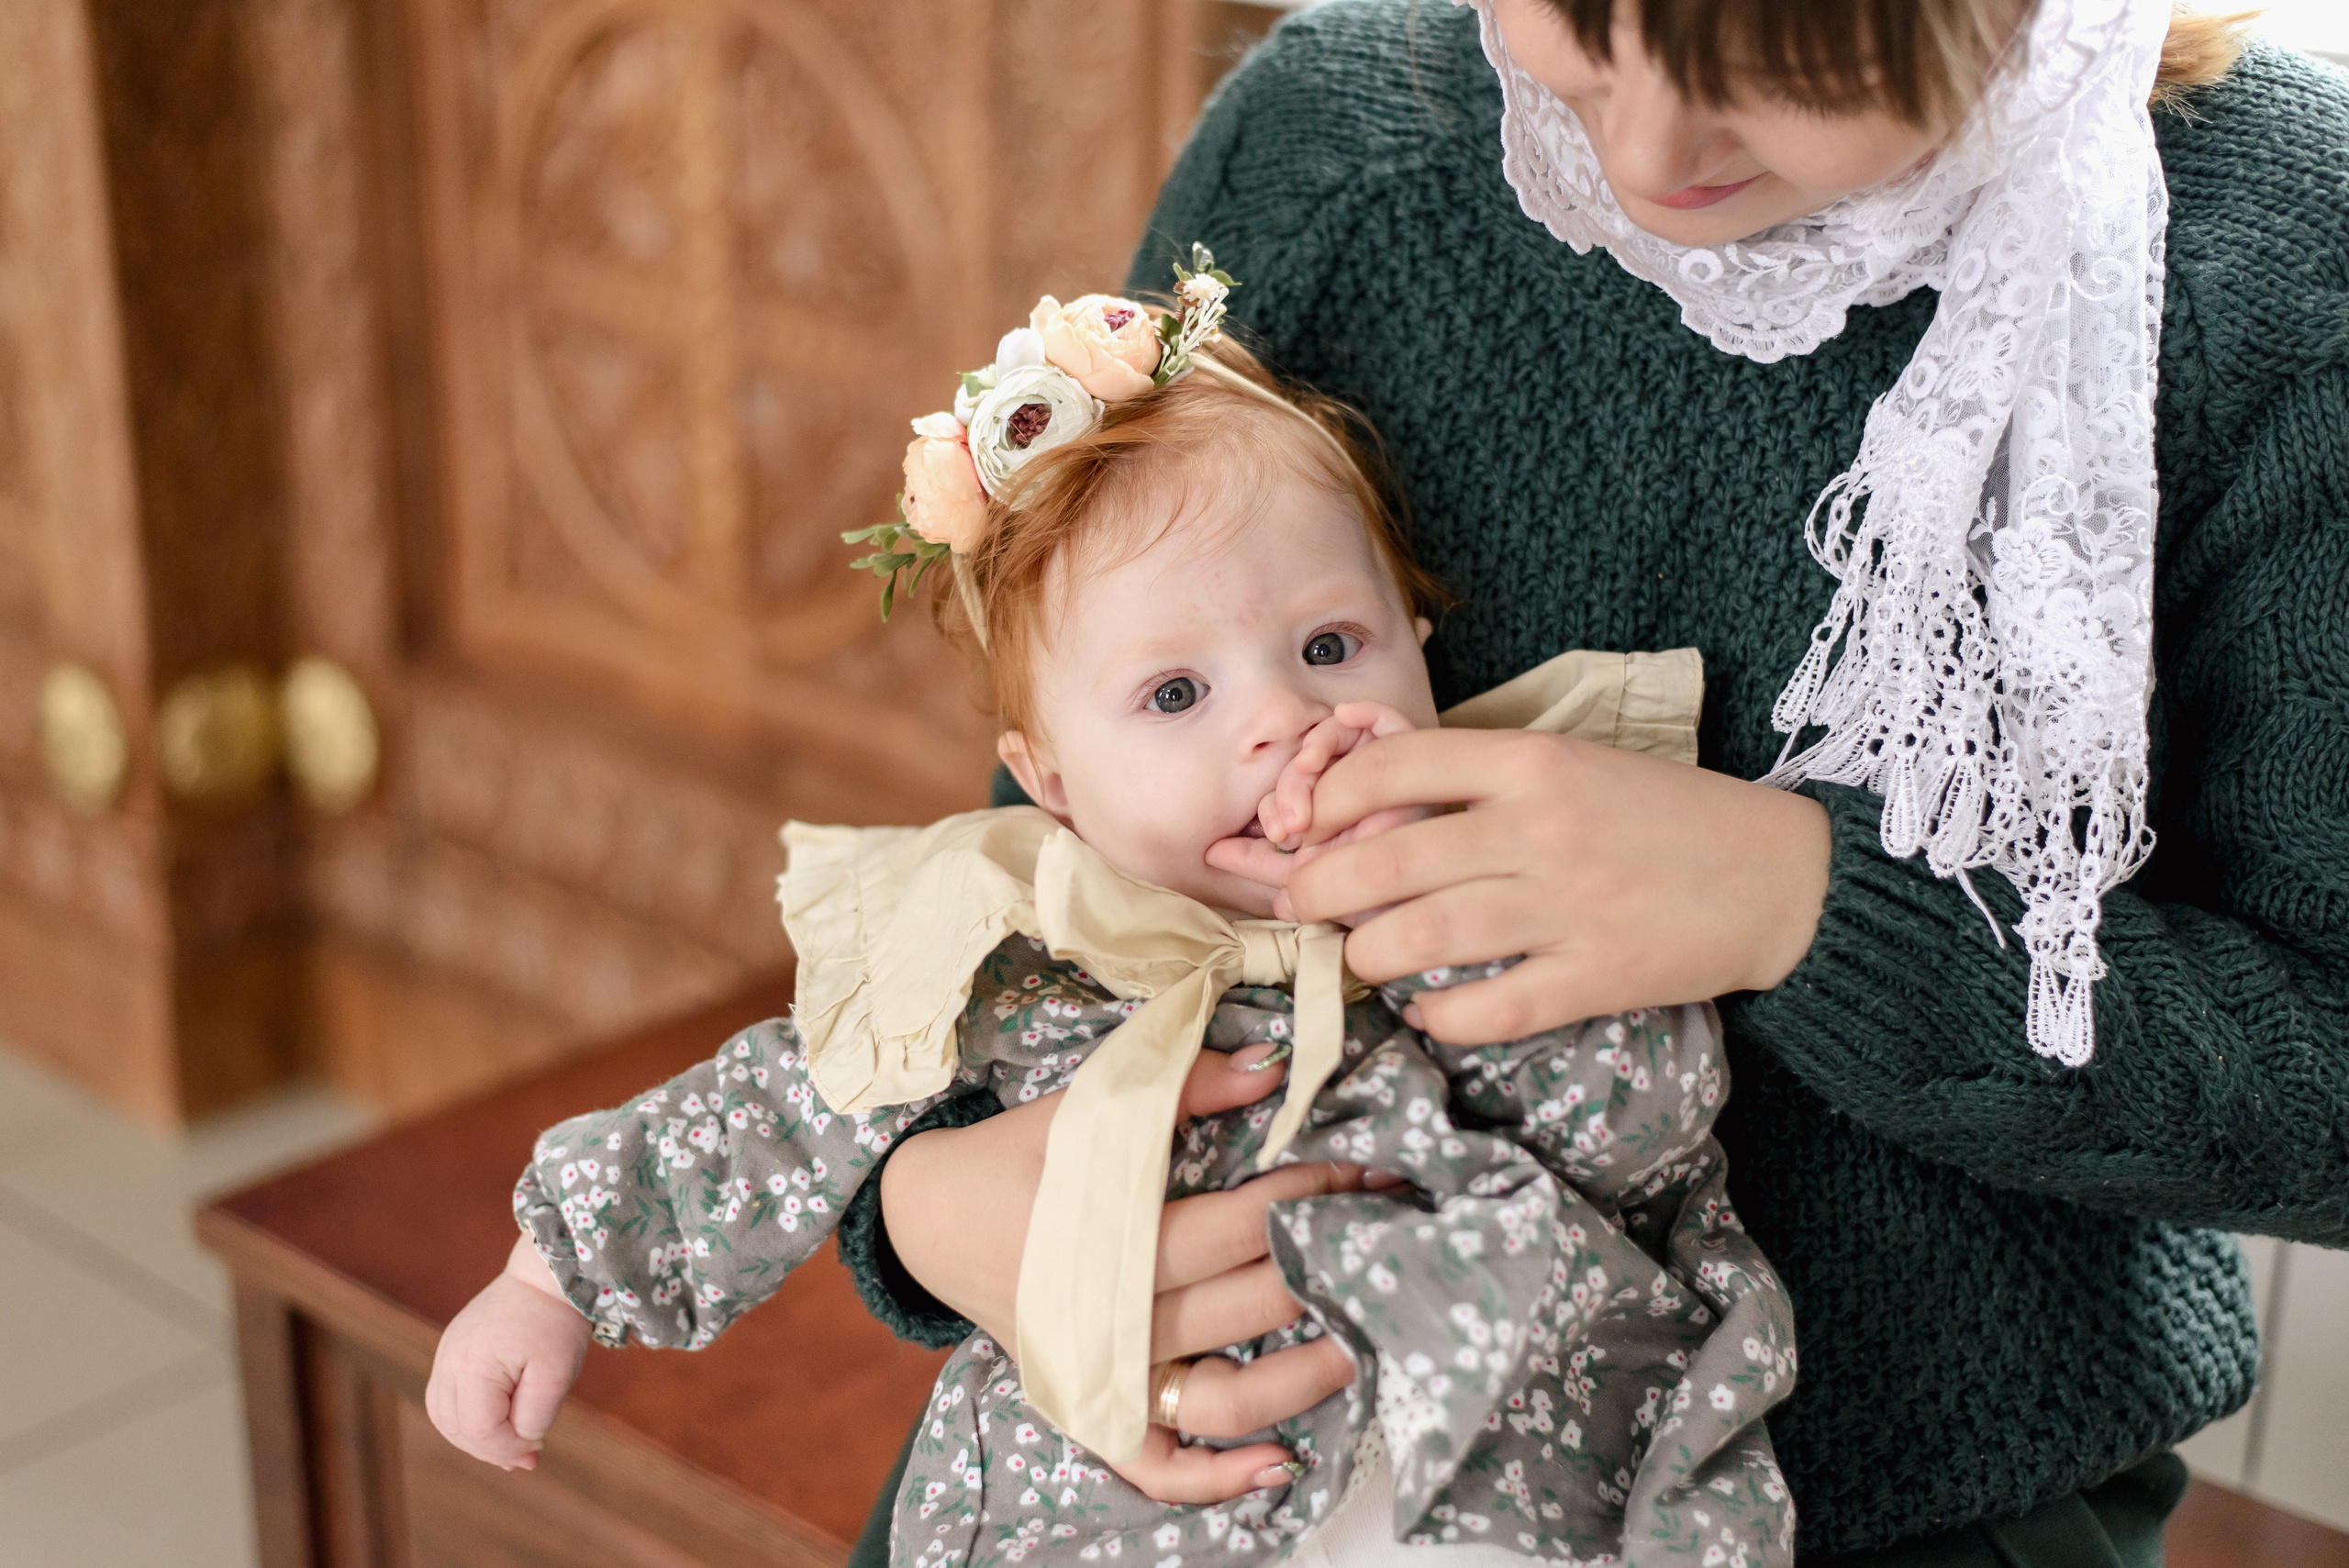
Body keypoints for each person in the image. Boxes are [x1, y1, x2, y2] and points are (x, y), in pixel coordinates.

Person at [842, 2, 2349, 1564]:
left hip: (1884, 1506)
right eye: (1575, 24)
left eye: (1789, 66)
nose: (1638, 151)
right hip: (1137, 1460)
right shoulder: (1336, 137)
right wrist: (933, 1199)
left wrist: (1805, 908)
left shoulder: (2289, 265)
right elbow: (1060, 839)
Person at [424, 286, 1800, 1567]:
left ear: (1419, 640)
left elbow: (1645, 1131)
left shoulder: (1500, 872)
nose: (1280, 717)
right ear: (1053, 779)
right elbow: (772, 1106)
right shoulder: (1025, 944)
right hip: (1139, 1509)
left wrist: (1442, 924)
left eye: (1330, 647)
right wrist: (548, 1275)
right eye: (1176, 694)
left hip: (1490, 1479)